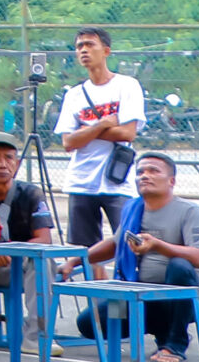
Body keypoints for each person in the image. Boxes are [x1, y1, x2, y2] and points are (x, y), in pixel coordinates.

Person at [61, 153, 199, 362]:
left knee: (179, 266)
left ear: (171, 181)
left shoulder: (190, 211)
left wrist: (158, 245)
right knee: (89, 324)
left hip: (185, 297)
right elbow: (115, 244)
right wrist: (74, 261)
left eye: (153, 171)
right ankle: (161, 328)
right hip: (139, 294)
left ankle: (175, 343)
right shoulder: (133, 208)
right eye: (140, 172)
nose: (145, 176)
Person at [53, 26, 143, 279]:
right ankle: (97, 302)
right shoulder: (74, 94)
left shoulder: (126, 86)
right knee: (86, 252)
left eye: (90, 45)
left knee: (128, 242)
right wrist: (102, 125)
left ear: (106, 50)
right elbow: (68, 141)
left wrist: (86, 131)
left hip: (118, 182)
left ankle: (126, 297)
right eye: (79, 46)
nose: (84, 50)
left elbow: (128, 133)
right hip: (82, 181)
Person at [0, 135, 55, 344]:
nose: (2, 164)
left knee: (43, 262)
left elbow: (44, 239)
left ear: (18, 163)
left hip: (19, 268)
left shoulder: (31, 194)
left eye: (8, 157)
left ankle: (37, 337)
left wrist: (6, 252)